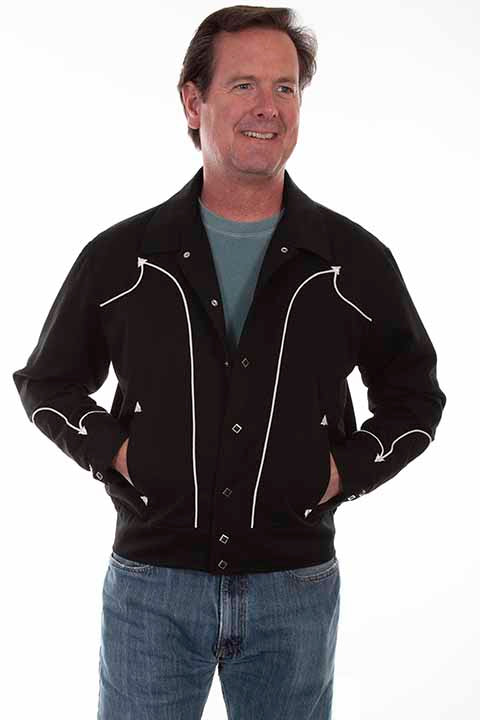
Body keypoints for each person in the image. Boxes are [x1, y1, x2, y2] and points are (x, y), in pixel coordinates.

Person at [12, 5, 447, 719]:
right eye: (243, 85)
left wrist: (339, 472)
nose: (268, 107)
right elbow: (48, 382)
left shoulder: (351, 262)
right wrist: (122, 455)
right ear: (194, 101)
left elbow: (414, 397)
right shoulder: (124, 258)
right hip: (152, 586)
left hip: (295, 587)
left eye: (285, 87)